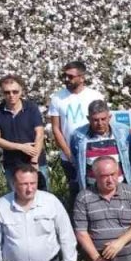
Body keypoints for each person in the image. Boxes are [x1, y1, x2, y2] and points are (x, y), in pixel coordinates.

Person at [48, 60, 105, 200]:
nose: (67, 79)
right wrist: (69, 154)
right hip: (69, 156)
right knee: (76, 193)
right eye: (65, 76)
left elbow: (103, 122)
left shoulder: (95, 96)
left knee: (98, 189)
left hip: (94, 151)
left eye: (71, 76)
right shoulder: (57, 98)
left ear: (82, 77)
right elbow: (56, 128)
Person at [0, 74, 48, 191]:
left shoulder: (32, 108)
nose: (11, 95)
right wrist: (21, 147)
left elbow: (39, 134)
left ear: (21, 91)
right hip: (12, 164)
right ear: (2, 93)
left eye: (15, 91)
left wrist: (34, 161)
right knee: (16, 198)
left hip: (35, 161)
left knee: (43, 197)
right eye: (7, 92)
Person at [70, 99, 131, 194]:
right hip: (92, 190)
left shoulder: (123, 131)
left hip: (120, 188)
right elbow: (77, 161)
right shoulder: (78, 136)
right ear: (88, 119)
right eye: (95, 120)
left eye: (103, 119)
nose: (100, 123)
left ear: (109, 117)